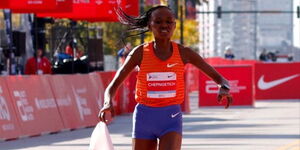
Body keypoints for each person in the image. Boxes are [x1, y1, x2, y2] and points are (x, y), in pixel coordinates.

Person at [99, 6, 232, 150]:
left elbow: (221, 79)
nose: (164, 25)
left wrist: (223, 88)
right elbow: (114, 84)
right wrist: (107, 102)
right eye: (158, 21)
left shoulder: (184, 53)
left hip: (171, 118)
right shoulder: (139, 53)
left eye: (169, 22)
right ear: (150, 25)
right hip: (144, 118)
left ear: (174, 25)